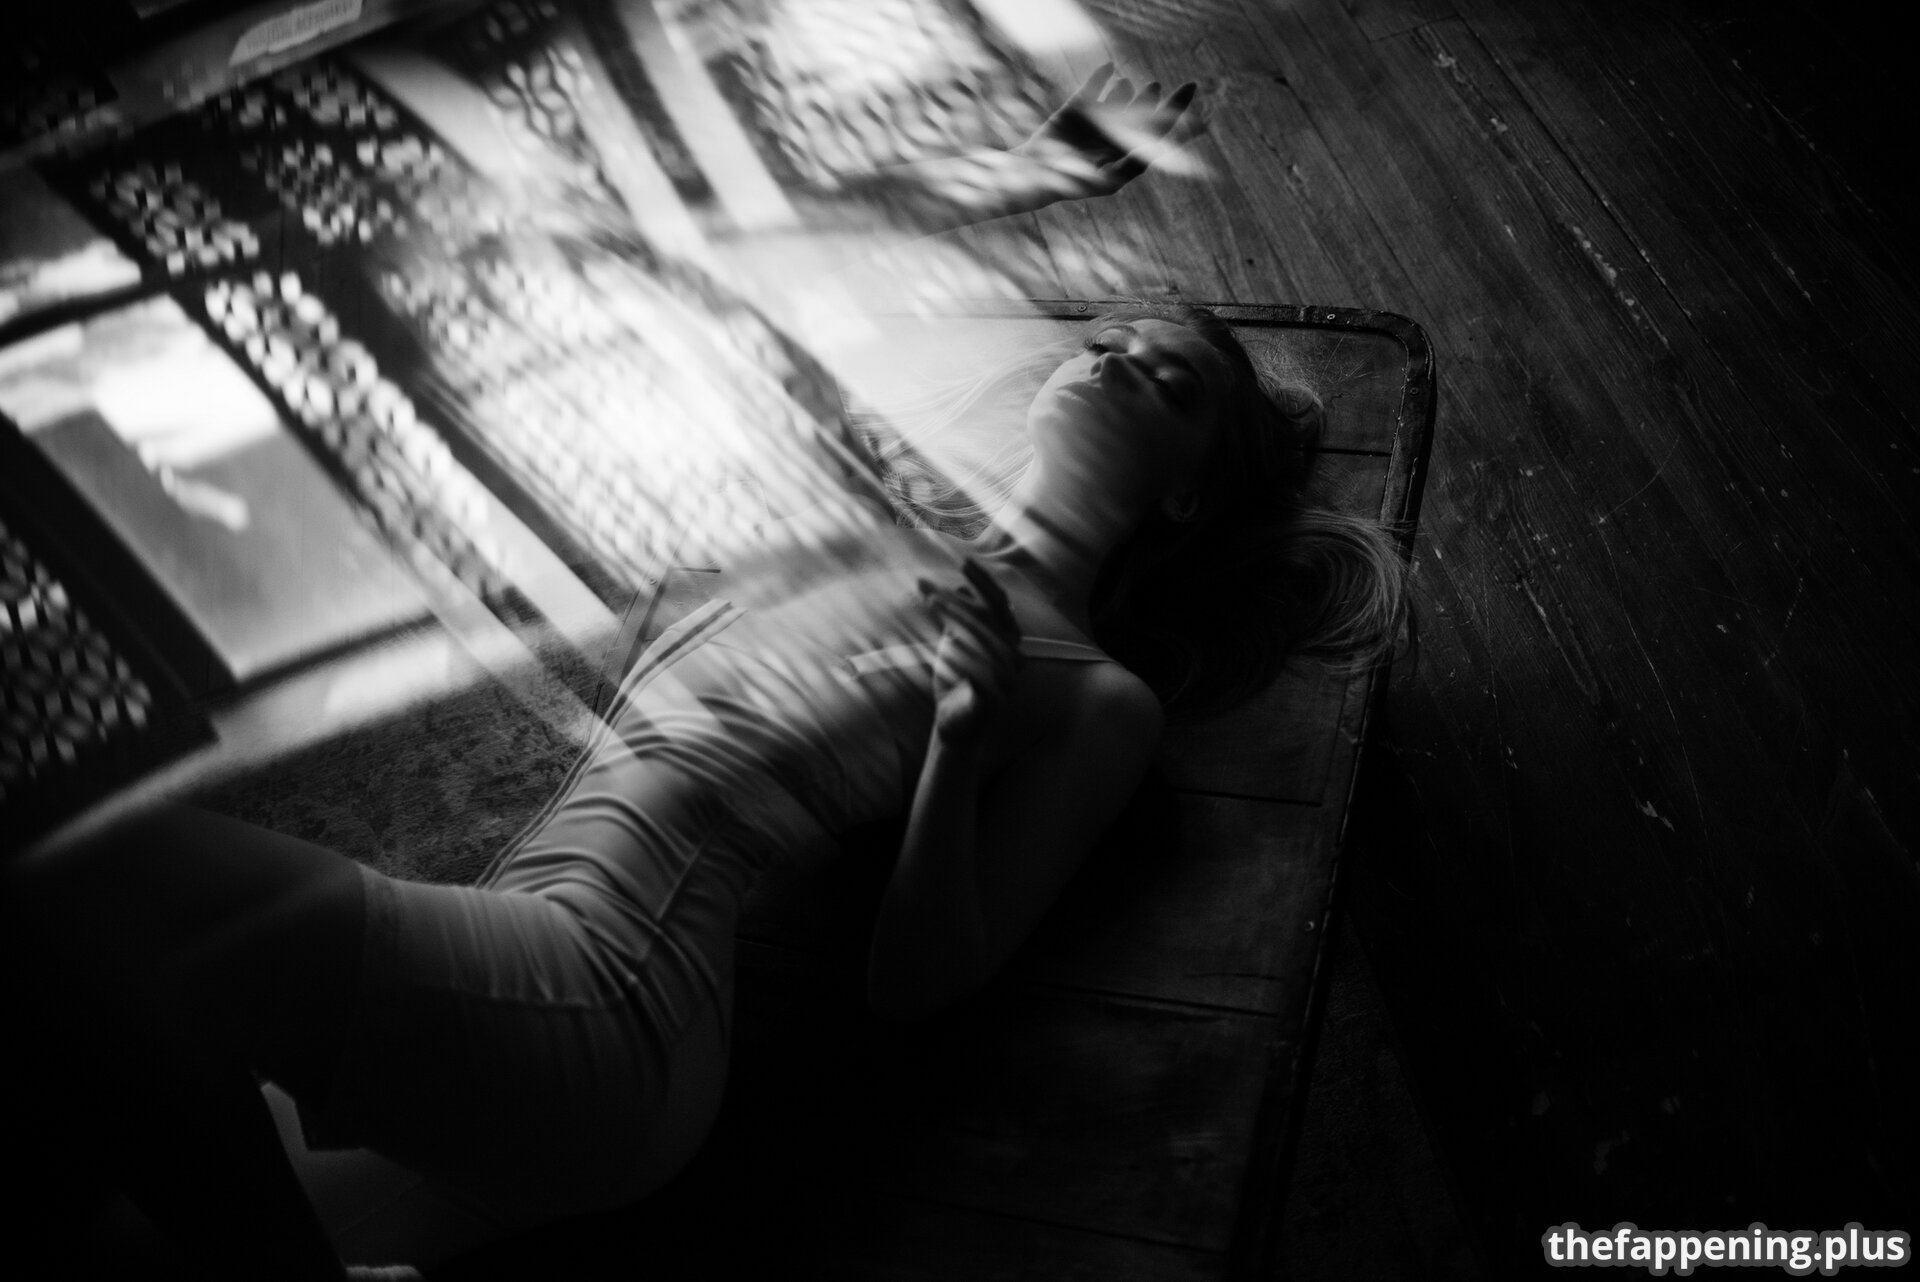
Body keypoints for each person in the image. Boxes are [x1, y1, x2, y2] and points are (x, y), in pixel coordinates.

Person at [0, 71, 1407, 1278]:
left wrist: (961, 743)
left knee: (73, 872)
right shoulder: (877, 510)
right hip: (512, 931)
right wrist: (1024, 171)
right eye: (1108, 341)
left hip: (615, 1003)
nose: (1111, 363)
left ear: (1185, 496)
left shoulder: (1094, 691)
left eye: (1167, 382)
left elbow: (922, 980)